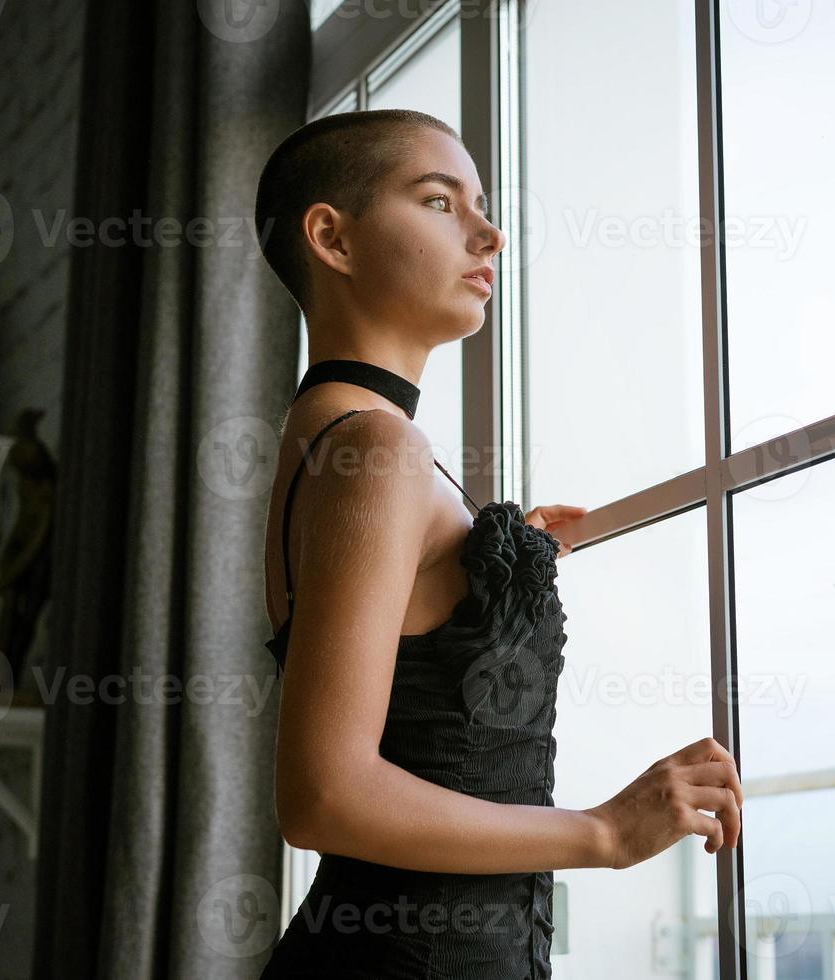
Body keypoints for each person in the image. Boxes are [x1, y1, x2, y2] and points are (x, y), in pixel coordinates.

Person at [252, 108, 743, 978]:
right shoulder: (378, 447)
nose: (490, 232)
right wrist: (605, 831)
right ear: (331, 237)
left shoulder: (327, 438)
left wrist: (496, 565)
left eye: (482, 204)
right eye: (440, 203)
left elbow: (415, 663)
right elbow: (323, 796)